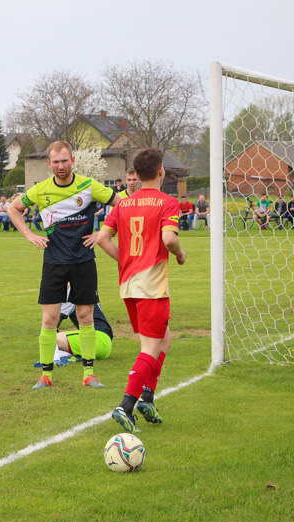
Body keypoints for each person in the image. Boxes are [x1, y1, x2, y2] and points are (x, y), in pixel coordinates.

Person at [6, 140, 118, 390]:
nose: (60, 166)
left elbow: (121, 205)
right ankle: (46, 376)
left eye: (64, 161)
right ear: (49, 164)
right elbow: (13, 209)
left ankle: (89, 374)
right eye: (55, 162)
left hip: (84, 261)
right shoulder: (40, 190)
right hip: (54, 262)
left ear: (72, 161)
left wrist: (101, 234)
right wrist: (29, 235)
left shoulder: (89, 186)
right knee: (49, 319)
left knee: (85, 316)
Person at [96, 147, 186, 434]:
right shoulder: (168, 202)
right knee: (149, 347)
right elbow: (169, 239)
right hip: (152, 285)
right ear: (161, 171)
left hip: (129, 284)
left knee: (164, 340)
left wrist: (125, 259)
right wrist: (181, 254)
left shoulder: (123, 204)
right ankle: (126, 405)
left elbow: (102, 238)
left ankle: (147, 397)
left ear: (136, 174)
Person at [34, 289, 114, 367]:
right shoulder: (81, 288)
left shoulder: (70, 292)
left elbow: (52, 325)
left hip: (98, 339)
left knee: (48, 338)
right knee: (51, 339)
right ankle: (73, 356)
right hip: (102, 342)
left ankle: (56, 360)